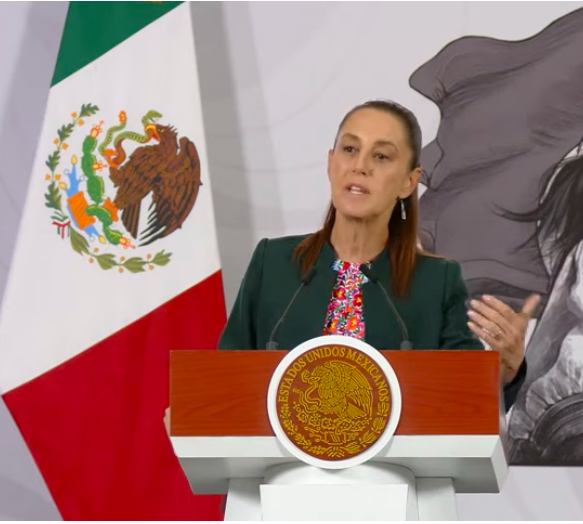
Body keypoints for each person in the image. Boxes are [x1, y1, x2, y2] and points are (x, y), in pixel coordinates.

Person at [217, 99, 540, 411]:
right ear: (331, 163)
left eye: (381, 156)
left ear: (409, 181)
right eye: (350, 149)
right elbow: (225, 380)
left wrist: (508, 366)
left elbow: (468, 399)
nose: (360, 166)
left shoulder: (437, 282)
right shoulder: (272, 262)